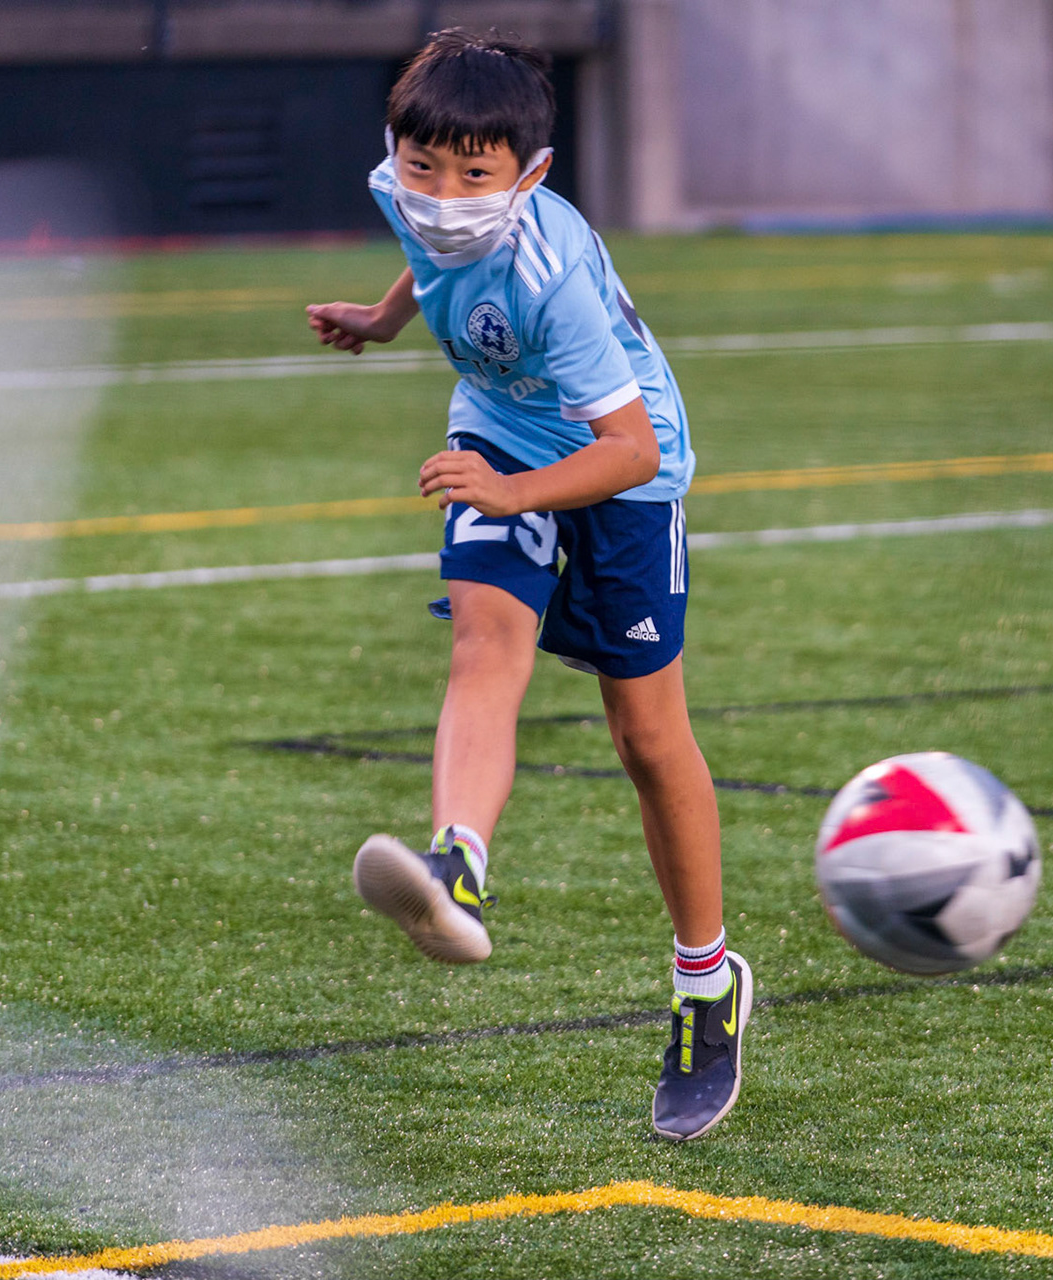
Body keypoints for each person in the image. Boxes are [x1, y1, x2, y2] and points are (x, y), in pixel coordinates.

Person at [304, 30, 749, 1142]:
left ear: (530, 176)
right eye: (423, 169)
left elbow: (632, 448)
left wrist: (518, 493)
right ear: (395, 152)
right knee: (484, 642)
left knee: (648, 737)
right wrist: (385, 316)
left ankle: (708, 987)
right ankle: (458, 864)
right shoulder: (405, 189)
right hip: (496, 433)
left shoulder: (552, 278)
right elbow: (431, 251)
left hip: (620, 464)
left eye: (476, 177)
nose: (443, 195)